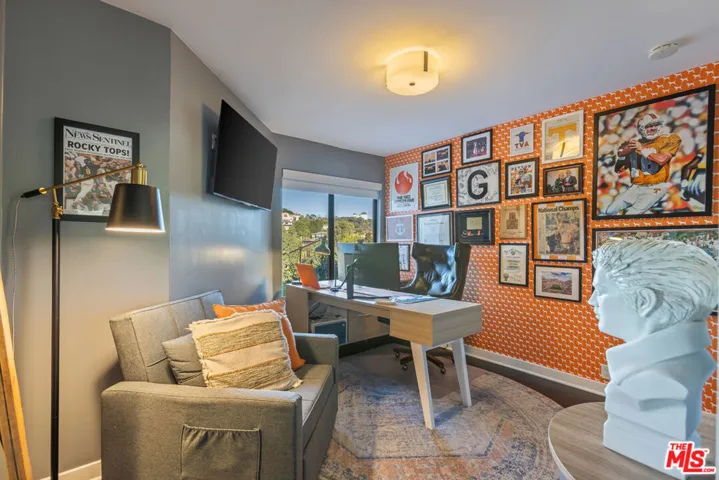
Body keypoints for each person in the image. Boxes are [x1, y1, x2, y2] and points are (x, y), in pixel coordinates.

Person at [589, 239, 717, 475]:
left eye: (602, 291)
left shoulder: (659, 381)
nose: (592, 301)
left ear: (646, 301)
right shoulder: (694, 362)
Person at [605, 113, 681, 216]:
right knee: (609, 211)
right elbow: (619, 170)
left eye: (656, 125)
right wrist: (622, 155)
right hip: (636, 187)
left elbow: (662, 160)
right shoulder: (633, 144)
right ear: (641, 129)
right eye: (649, 126)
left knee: (630, 215)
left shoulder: (669, 138)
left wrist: (641, 149)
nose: (653, 128)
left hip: (655, 187)